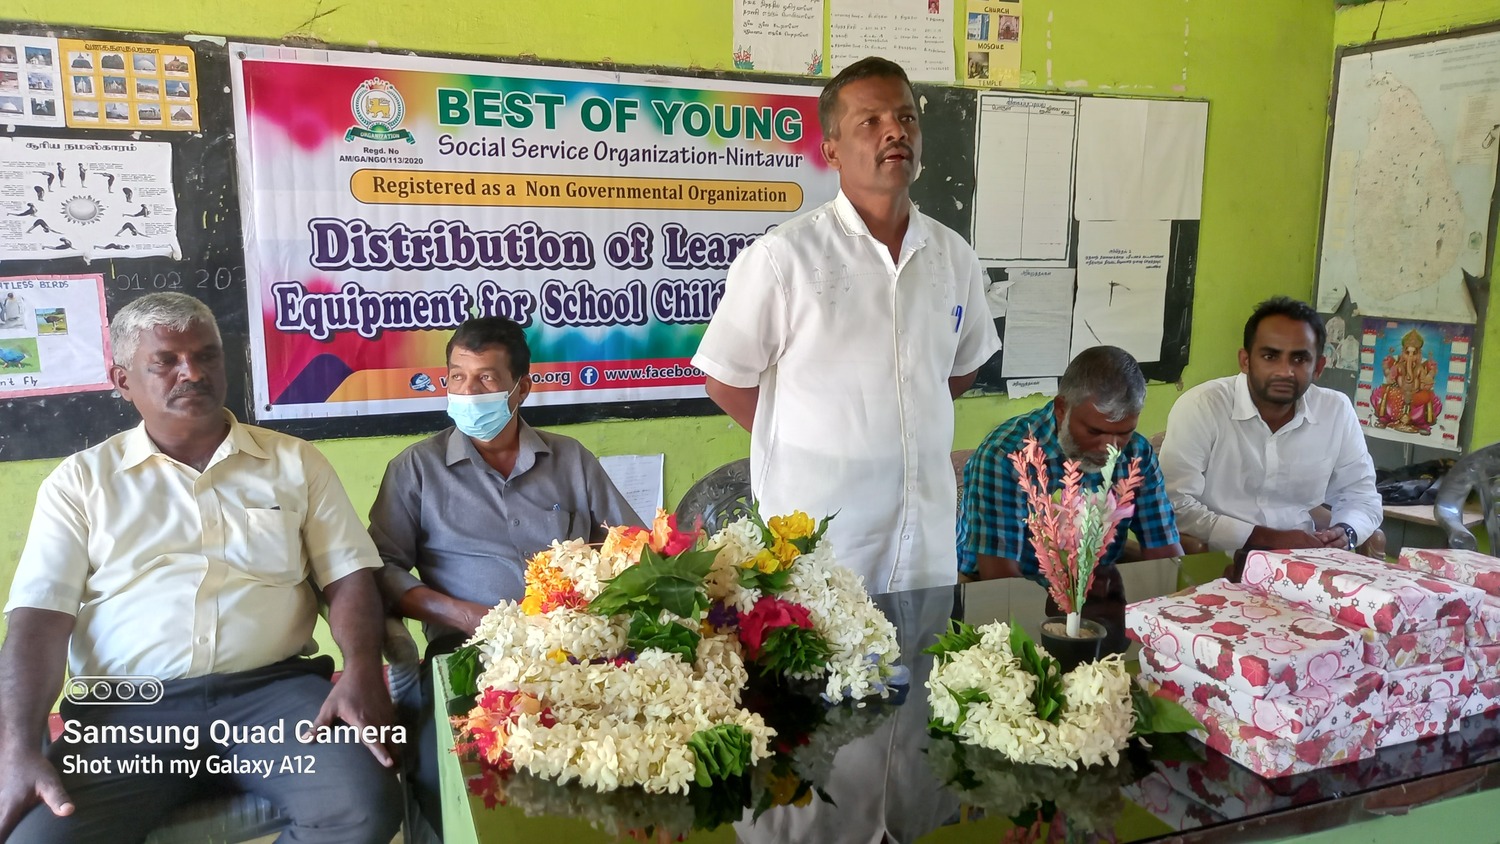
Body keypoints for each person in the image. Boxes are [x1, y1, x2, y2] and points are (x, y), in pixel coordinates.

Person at [0, 293, 401, 843]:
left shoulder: (294, 461)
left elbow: (349, 576)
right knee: (38, 839)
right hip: (126, 717)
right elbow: (38, 622)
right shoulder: (80, 483)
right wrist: (16, 748)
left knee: (361, 808)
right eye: (166, 361)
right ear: (123, 381)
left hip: (273, 697)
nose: (192, 372)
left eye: (206, 355)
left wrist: (361, 668)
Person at [692, 56, 1001, 594]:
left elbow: (959, 370)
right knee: (819, 647)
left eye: (906, 118)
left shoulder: (954, 257)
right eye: (871, 121)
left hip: (925, 540)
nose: (895, 132)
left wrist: (897, 425)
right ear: (832, 150)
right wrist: (810, 444)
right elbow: (725, 380)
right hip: (822, 542)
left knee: (923, 648)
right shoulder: (783, 258)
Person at [368, 315, 640, 833]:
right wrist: (463, 615)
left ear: (522, 388)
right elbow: (380, 569)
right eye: (457, 377)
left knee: (620, 766)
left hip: (576, 655)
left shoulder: (571, 460)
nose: (468, 393)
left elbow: (631, 549)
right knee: (450, 777)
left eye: (486, 379)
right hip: (470, 655)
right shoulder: (416, 469)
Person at [1160, 296, 1382, 552]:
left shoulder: (1336, 410)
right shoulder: (1203, 406)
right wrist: (1267, 539)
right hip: (1220, 559)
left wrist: (1346, 531)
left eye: (1299, 359)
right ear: (1245, 361)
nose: (1285, 371)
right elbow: (1174, 503)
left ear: (1318, 367)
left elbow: (1361, 495)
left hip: (1305, 558)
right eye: (1270, 356)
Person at [958, 345, 1182, 586]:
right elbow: (1001, 580)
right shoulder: (1006, 456)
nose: (1109, 447)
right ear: (1061, 409)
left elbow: (1164, 550)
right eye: (1094, 431)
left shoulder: (1137, 453)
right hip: (996, 590)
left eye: (1124, 432)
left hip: (1095, 588)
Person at [1370, 327, 1442, 434]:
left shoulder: (1419, 368)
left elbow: (1424, 380)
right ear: (1403, 352)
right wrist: (1389, 374)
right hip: (1399, 393)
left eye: (1414, 353)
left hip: (1415, 394)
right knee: (1390, 395)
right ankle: (1385, 420)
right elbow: (1390, 376)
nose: (1410, 356)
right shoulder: (1398, 365)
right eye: (1408, 353)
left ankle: (1421, 425)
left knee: (1425, 398)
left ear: (1419, 354)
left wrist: (1427, 380)